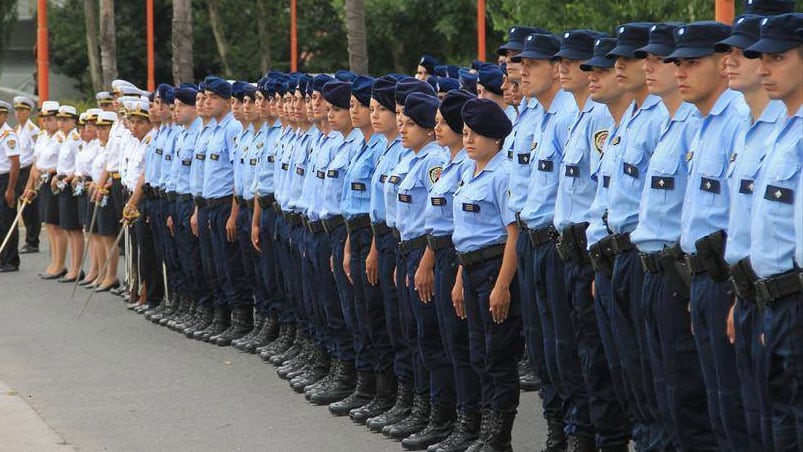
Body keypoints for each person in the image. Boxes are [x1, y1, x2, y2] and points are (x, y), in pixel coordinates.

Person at [629, 23, 717, 451]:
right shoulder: (672, 122)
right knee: (658, 384)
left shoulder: (704, 123)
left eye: (658, 59)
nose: (653, 67)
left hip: (684, 275)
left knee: (691, 395)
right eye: (673, 61)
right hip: (655, 270)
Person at [666, 21, 752, 451]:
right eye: (677, 64)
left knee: (734, 407)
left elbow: (742, 219)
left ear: (723, 65)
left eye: (692, 63)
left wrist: (737, 294)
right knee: (710, 402)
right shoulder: (702, 124)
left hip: (727, 282)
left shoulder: (737, 121)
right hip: (699, 279)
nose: (680, 72)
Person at [553, 29, 632, 452]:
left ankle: (603, 438)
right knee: (573, 352)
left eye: (581, 64)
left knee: (598, 358)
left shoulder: (604, 120)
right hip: (573, 248)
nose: (568, 68)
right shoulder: (584, 116)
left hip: (594, 251)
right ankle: (582, 431)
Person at [716, 14, 787, 451]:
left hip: (784, 298)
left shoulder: (787, 131)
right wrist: (739, 296)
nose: (738, 62)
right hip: (749, 292)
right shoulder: (747, 129)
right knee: (747, 414)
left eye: (767, 55)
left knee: (781, 421)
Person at [511, 30, 581, 449]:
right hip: (529, 237)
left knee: (564, 345)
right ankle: (557, 425)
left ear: (557, 67)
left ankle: (574, 431)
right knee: (540, 346)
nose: (521, 70)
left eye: (531, 63)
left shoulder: (570, 116)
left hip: (555, 240)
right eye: (521, 62)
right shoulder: (532, 115)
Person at [742, 12, 803, 451]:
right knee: (778, 418)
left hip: (795, 300)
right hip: (774, 301)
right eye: (761, 58)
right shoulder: (781, 128)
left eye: (777, 58)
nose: (763, 68)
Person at [451, 98, 521, 452]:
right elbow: (465, 231)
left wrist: (503, 285)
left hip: (495, 270)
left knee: (498, 355)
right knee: (479, 352)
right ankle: (485, 428)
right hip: (471, 268)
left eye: (477, 134)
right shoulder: (469, 170)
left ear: (496, 139)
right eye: (465, 133)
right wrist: (460, 279)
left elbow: (514, 232)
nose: (469, 140)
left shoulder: (503, 173)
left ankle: (499, 436)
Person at [580, 36, 634, 447]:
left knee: (653, 382)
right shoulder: (617, 127)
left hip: (641, 264)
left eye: (612, 65)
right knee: (599, 367)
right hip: (604, 258)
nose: (604, 74)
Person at [422, 89, 480, 452]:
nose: (437, 128)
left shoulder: (467, 168)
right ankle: (450, 417)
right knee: (443, 340)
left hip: (457, 259)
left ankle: (469, 422)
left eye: (444, 123)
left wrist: (455, 270)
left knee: (461, 346)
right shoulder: (448, 163)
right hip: (439, 255)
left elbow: (462, 229)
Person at [12, 96, 40, 255]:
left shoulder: (33, 130)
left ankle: (32, 240)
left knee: (29, 206)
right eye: (16, 110)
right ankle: (29, 239)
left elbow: (36, 154)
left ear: (28, 111)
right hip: (18, 170)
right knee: (21, 205)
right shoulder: (16, 129)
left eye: (22, 110)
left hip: (28, 169)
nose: (18, 113)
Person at [0, 100, 21, 272]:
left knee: (7, 219)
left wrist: (11, 189)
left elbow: (15, 163)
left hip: (5, 179)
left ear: (5, 116)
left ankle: (11, 259)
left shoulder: (8, 135)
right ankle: (2, 257)